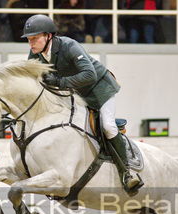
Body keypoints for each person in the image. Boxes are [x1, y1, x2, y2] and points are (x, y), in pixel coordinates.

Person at [21, 14, 143, 194]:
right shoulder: (35, 54)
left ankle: (127, 173)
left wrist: (59, 82)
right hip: (77, 95)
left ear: (48, 36)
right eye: (29, 40)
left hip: (100, 90)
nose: (31, 44)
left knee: (107, 126)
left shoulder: (69, 46)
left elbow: (89, 75)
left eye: (35, 39)